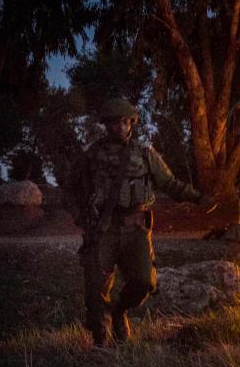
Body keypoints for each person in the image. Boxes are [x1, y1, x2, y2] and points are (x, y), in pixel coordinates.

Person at [69, 98, 214, 346]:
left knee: (145, 282)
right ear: (106, 125)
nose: (120, 127)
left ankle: (119, 311)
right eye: (114, 123)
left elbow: (169, 183)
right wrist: (79, 215)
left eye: (124, 121)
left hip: (136, 228)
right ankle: (101, 343)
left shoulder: (145, 153)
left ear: (131, 123)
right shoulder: (92, 155)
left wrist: (198, 198)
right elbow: (70, 188)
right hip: (103, 229)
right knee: (95, 289)